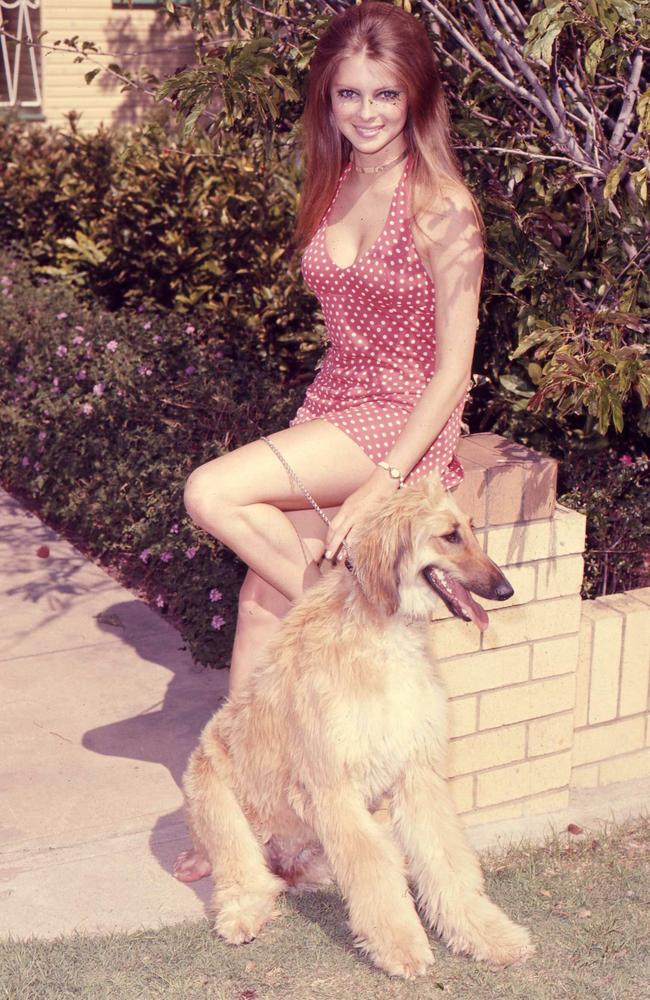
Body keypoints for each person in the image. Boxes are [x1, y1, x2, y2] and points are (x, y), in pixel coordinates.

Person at [173, 0, 484, 882]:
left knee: (212, 492)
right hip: (335, 408)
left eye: (385, 95)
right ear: (328, 99)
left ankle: (345, 603)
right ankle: (241, 822)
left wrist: (383, 482)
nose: (367, 114)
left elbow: (453, 368)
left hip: (400, 426)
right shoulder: (335, 178)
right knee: (258, 607)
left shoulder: (443, 206)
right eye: (349, 95)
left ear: (416, 96)